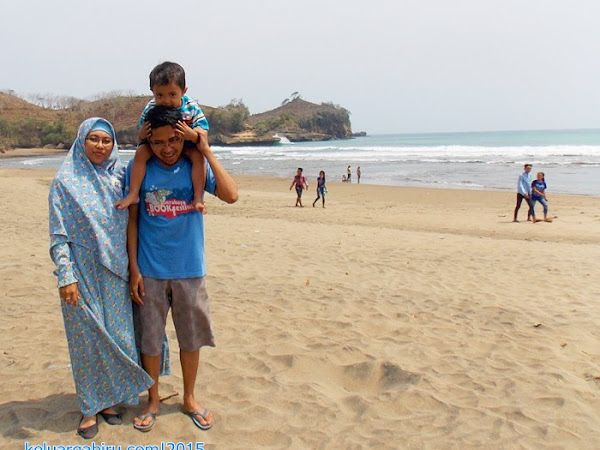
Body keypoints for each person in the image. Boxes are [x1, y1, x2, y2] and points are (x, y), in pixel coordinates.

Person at [127, 106, 238, 432]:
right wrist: (134, 269)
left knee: (190, 339)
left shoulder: (195, 165)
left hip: (190, 270)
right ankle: (153, 399)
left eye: (174, 140)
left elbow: (232, 195)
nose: (167, 148)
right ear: (149, 141)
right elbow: (132, 221)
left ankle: (190, 397)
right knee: (149, 340)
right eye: (159, 142)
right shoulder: (141, 168)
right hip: (150, 271)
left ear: (184, 137)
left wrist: (204, 148)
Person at [48, 118, 154, 439]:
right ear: (82, 141)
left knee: (117, 337)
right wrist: (66, 275)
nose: (100, 146)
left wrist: (142, 138)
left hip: (117, 272)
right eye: (93, 139)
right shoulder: (65, 182)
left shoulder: (120, 178)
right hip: (80, 273)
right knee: (87, 340)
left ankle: (108, 402)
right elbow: (58, 234)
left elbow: (142, 179)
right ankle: (89, 408)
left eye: (106, 141)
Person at [116, 62, 208, 213]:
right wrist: (142, 135)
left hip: (185, 142)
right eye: (160, 95)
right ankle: (133, 194)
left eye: (172, 94)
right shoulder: (151, 107)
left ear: (183, 91)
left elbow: (203, 131)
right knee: (140, 153)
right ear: (152, 92)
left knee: (198, 157)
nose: (166, 100)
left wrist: (190, 134)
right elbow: (142, 135)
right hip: (159, 144)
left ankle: (198, 197)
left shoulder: (191, 107)